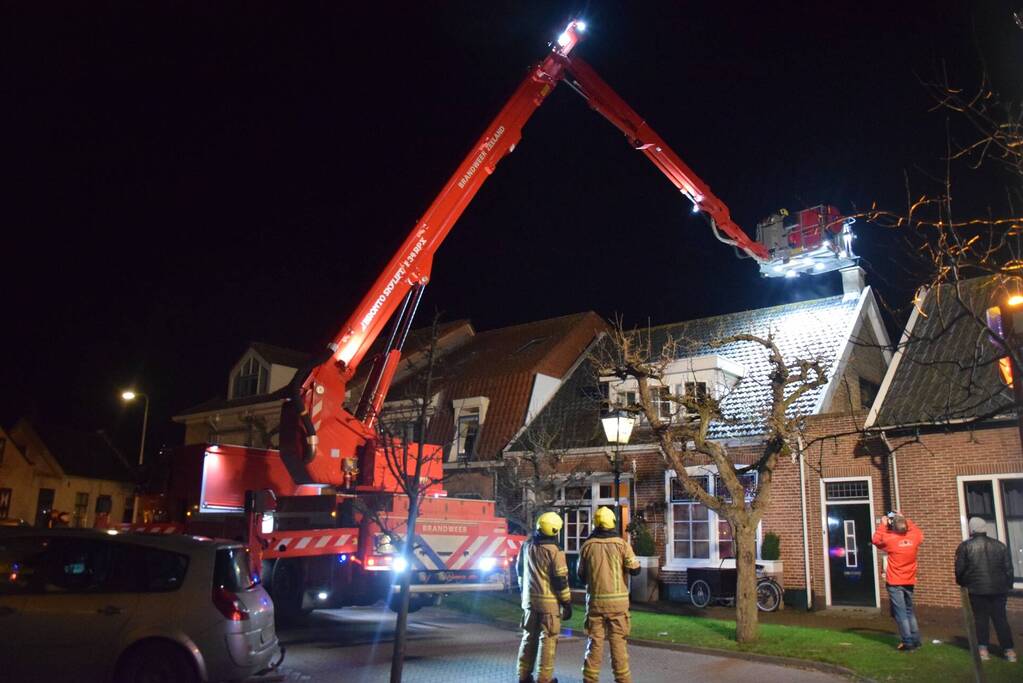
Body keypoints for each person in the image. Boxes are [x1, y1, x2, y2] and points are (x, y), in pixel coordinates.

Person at [577, 506, 641, 683]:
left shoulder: (587, 546)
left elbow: (580, 575)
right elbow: (635, 570)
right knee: (618, 644)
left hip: (596, 604)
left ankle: (589, 679)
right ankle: (622, 679)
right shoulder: (621, 544)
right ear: (613, 522)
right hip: (619, 605)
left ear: (595, 524)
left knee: (594, 643)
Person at [517, 511, 572, 683]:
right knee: (547, 642)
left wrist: (524, 594)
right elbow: (560, 581)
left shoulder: (526, 546)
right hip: (549, 606)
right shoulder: (555, 551)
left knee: (528, 639)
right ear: (556, 530)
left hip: (529, 603)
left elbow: (519, 572)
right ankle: (544, 679)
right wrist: (567, 603)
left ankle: (523, 676)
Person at [955, 517, 1017, 663]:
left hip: (977, 589)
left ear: (972, 529)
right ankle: (1009, 651)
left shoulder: (965, 547)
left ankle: (983, 649)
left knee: (981, 619)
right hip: (999, 589)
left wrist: (963, 583)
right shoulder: (1000, 546)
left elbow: (960, 570)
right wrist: (1008, 585)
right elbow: (1008, 568)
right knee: (1001, 619)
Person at [871, 511, 924, 651]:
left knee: (900, 613)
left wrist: (882, 525)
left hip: (895, 582)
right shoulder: (914, 539)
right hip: (910, 580)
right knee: (909, 611)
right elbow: (917, 531)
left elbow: (876, 540)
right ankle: (916, 639)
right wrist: (903, 518)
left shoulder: (890, 540)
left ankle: (907, 642)